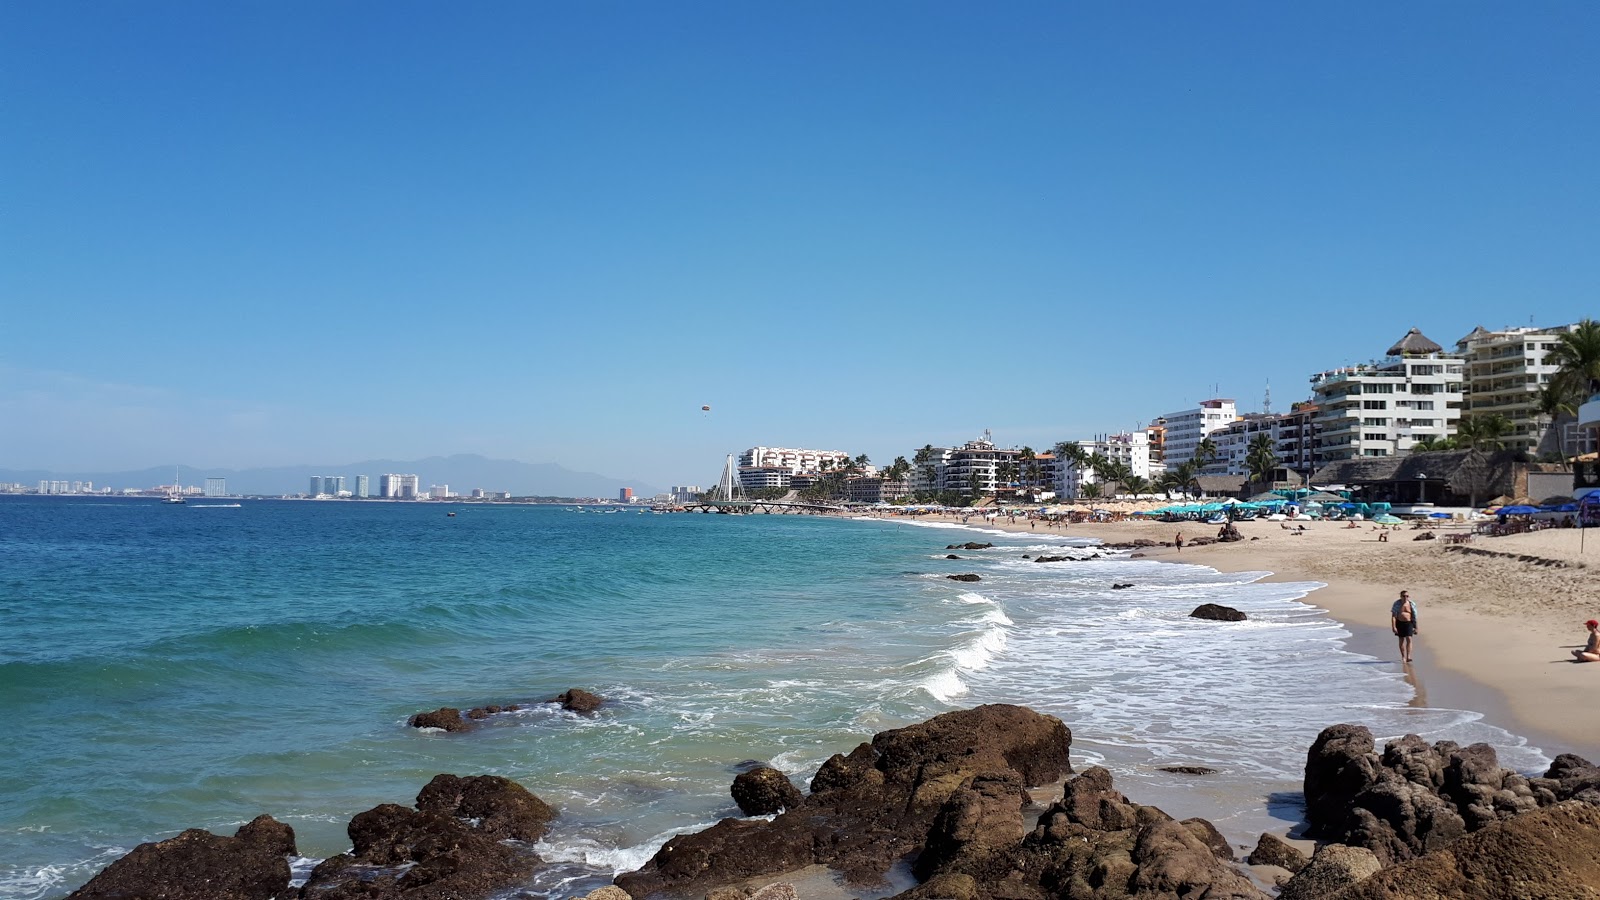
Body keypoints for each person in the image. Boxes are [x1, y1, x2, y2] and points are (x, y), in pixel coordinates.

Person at [1391, 590, 1417, 663]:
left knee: (1409, 638)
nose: (1405, 597)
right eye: (1403, 596)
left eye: (1407, 596)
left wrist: (1416, 627)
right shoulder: (1397, 604)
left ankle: (1408, 656)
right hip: (1399, 623)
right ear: (1401, 596)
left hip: (1409, 623)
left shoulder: (1412, 604)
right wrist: (1394, 626)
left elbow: (1414, 616)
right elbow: (1393, 616)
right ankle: (1403, 657)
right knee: (1401, 640)